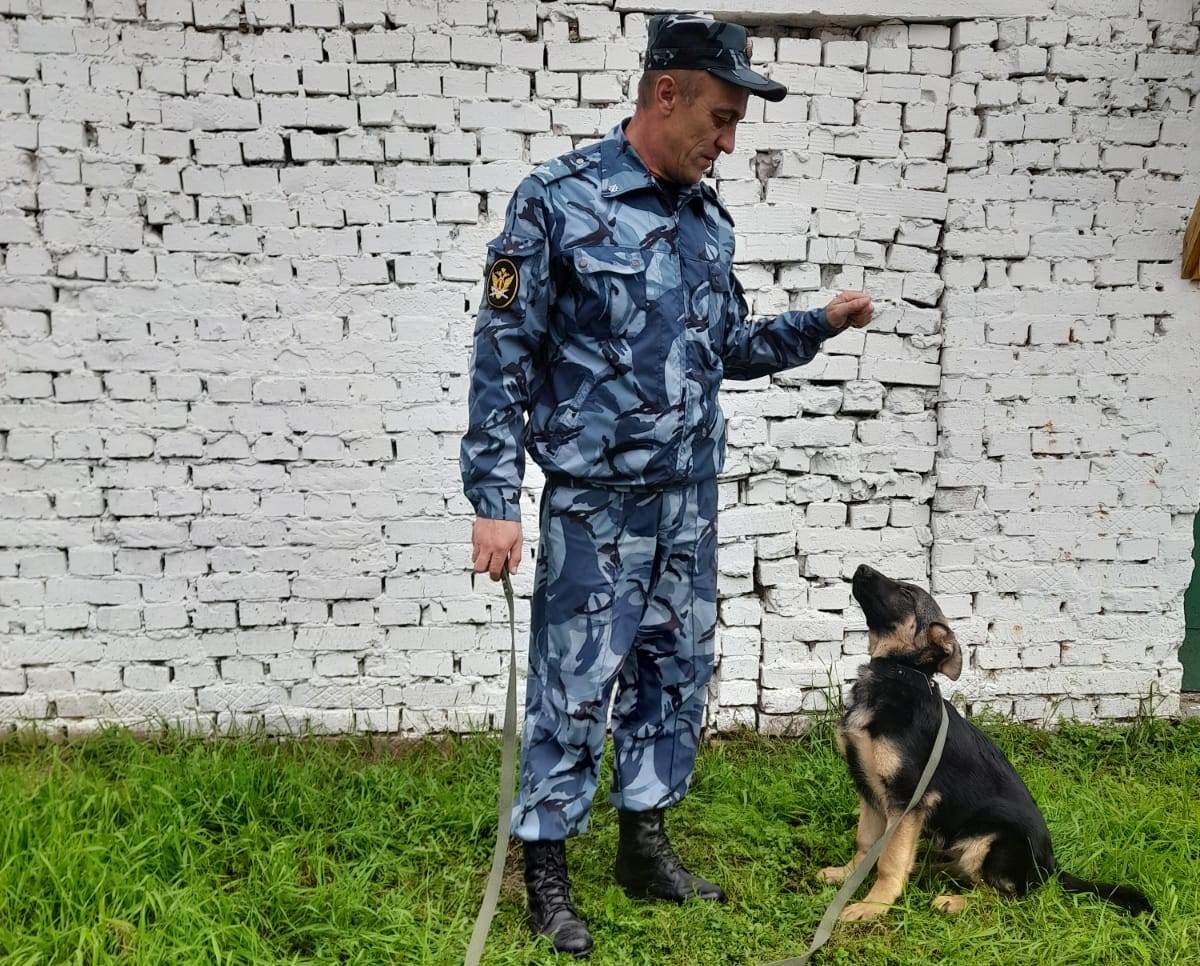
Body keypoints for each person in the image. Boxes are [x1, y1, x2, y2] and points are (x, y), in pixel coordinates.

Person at [460, 13, 873, 958]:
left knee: (672, 676)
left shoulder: (707, 222)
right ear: (666, 94)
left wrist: (818, 325)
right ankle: (547, 871)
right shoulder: (555, 202)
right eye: (721, 120)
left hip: (687, 499)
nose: (728, 143)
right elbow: (501, 354)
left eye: (737, 127)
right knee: (572, 688)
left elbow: (726, 350)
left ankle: (644, 847)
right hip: (594, 504)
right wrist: (493, 499)